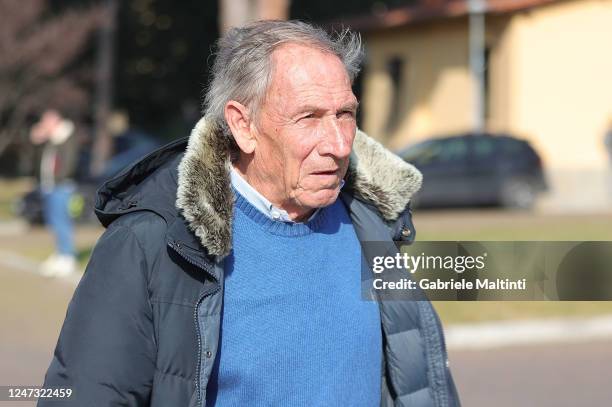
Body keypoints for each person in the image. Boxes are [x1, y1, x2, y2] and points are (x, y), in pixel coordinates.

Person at [40, 20, 460, 406]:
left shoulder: (375, 221)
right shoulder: (152, 240)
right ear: (242, 125)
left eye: (345, 114)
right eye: (309, 117)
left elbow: (421, 383)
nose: (339, 143)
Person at [30, 109, 79, 277]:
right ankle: (60, 254)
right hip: (49, 186)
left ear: (56, 121)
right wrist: (37, 141)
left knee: (62, 222)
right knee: (54, 222)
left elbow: (69, 163)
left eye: (47, 122)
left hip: (62, 187)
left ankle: (68, 257)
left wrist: (58, 180)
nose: (44, 125)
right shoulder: (51, 140)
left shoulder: (65, 137)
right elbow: (39, 161)